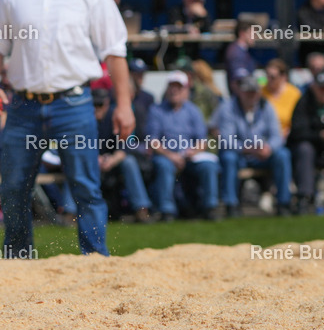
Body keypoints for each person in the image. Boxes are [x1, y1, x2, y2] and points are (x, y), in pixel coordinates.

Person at [0, 0, 134, 256]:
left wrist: (124, 106)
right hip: (23, 106)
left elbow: (115, 53)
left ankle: (95, 258)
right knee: (14, 188)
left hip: (74, 104)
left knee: (86, 187)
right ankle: (18, 258)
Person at [212, 73, 292, 217]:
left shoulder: (266, 106)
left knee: (283, 154)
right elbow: (226, 139)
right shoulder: (227, 108)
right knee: (228, 157)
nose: (251, 95)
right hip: (240, 154)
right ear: (240, 92)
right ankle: (231, 204)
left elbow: (276, 136)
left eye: (254, 92)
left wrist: (268, 148)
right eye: (248, 92)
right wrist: (246, 148)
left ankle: (284, 203)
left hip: (262, 155)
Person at [145, 72, 219, 221]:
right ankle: (167, 210)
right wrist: (171, 156)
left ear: (186, 90)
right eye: (171, 87)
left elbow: (202, 140)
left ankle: (210, 207)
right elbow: (153, 141)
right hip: (166, 155)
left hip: (190, 156)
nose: (174, 91)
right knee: (164, 166)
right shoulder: (156, 110)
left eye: (178, 87)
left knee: (208, 166)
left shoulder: (193, 111)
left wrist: (193, 151)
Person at [288, 69, 324, 214]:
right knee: (304, 149)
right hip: (313, 149)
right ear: (314, 87)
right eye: (322, 88)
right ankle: (305, 197)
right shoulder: (304, 102)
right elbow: (297, 132)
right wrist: (321, 135)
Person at [93, 89, 153, 223]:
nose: (97, 108)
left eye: (100, 104)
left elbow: (124, 147)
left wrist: (111, 160)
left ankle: (141, 209)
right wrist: (94, 159)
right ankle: (71, 212)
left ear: (106, 103)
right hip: (92, 161)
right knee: (77, 163)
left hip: (113, 161)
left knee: (129, 161)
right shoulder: (85, 119)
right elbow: (79, 146)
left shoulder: (115, 116)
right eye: (94, 105)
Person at [262, 58, 301, 138]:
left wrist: (290, 131)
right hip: (265, 136)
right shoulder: (260, 92)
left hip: (289, 136)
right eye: (267, 76)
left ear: (283, 77)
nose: (269, 80)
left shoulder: (294, 93)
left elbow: (299, 119)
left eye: (272, 77)